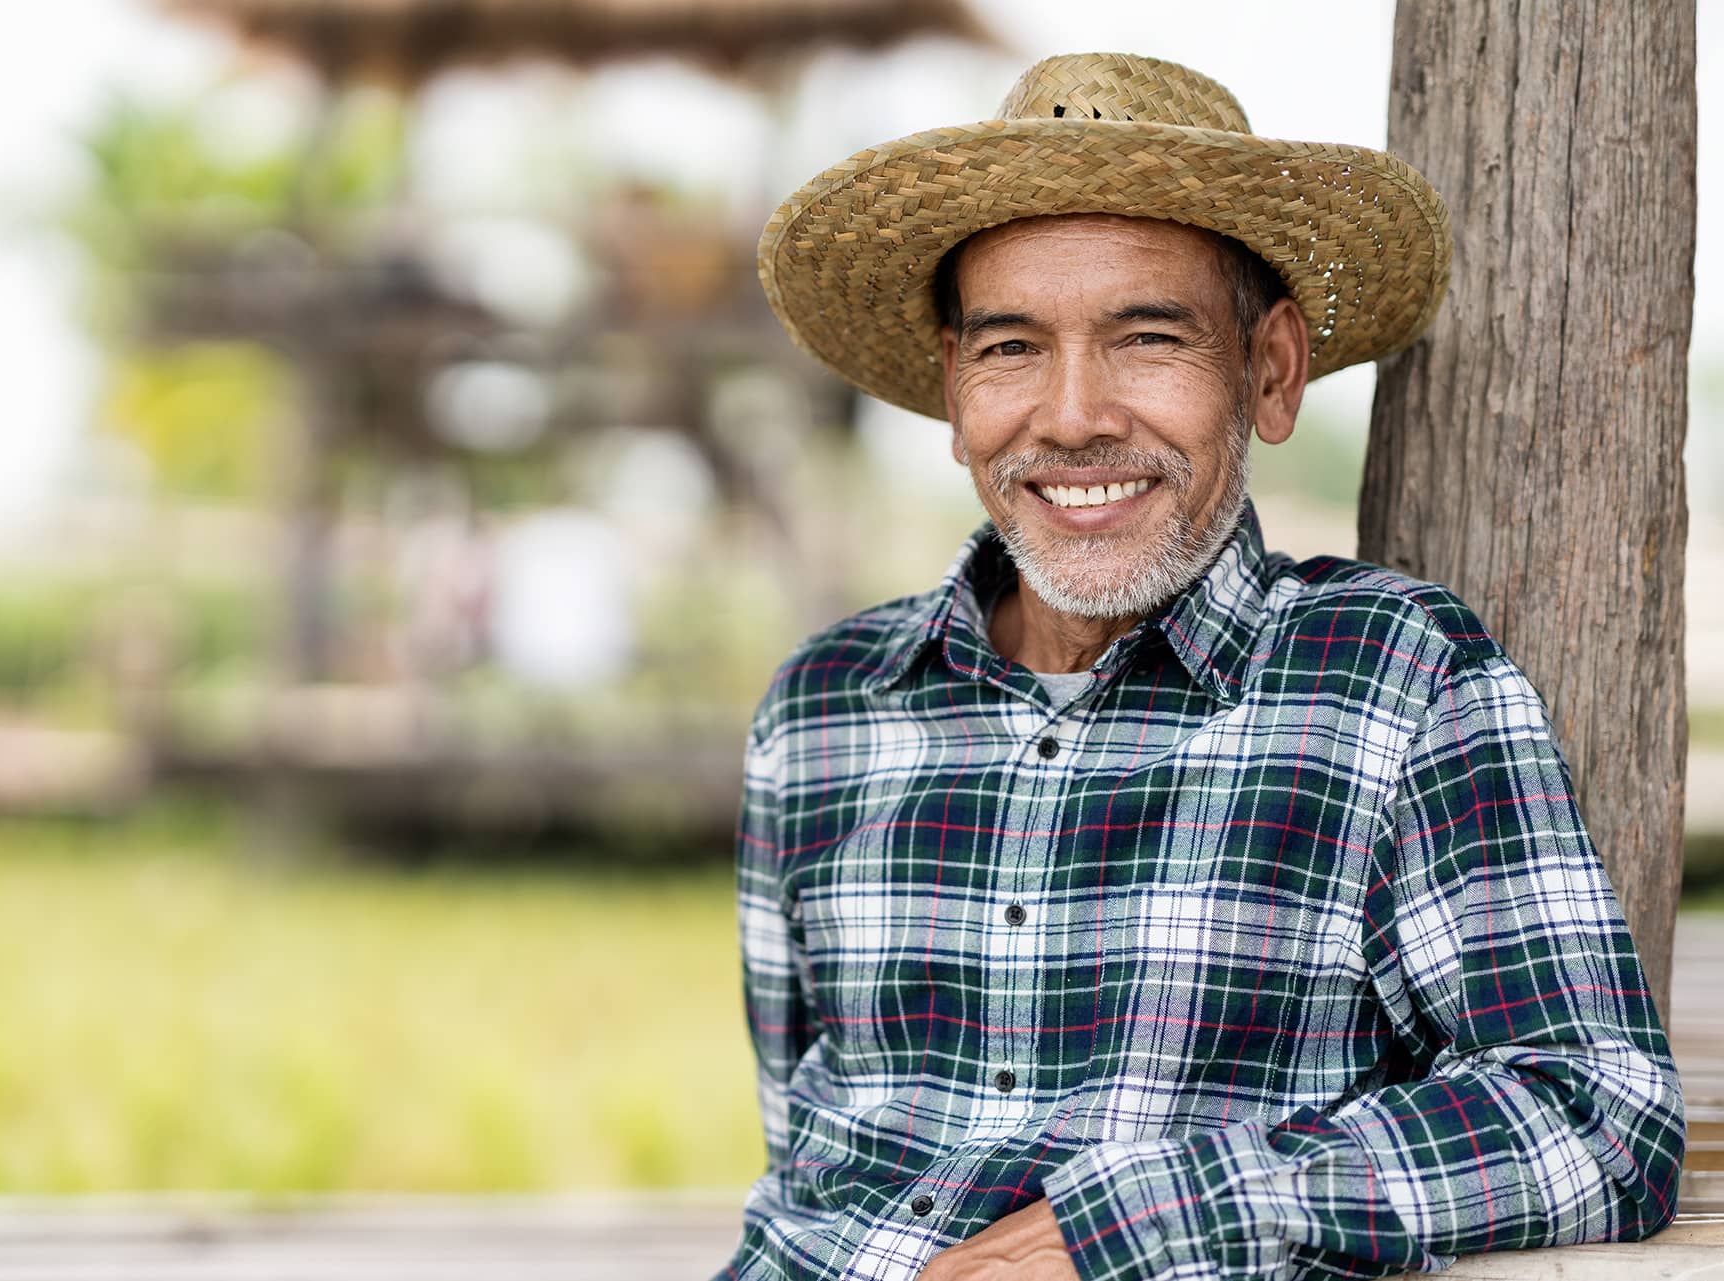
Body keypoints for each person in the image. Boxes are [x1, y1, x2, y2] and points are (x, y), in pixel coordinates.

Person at [720, 52, 1683, 1281]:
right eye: (1012, 348)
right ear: (955, 385)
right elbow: (800, 1150)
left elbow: (1595, 1113)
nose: (1073, 416)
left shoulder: (1391, 683)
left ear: (1268, 372)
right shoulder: (824, 708)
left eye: (1147, 338)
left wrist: (1125, 1228)